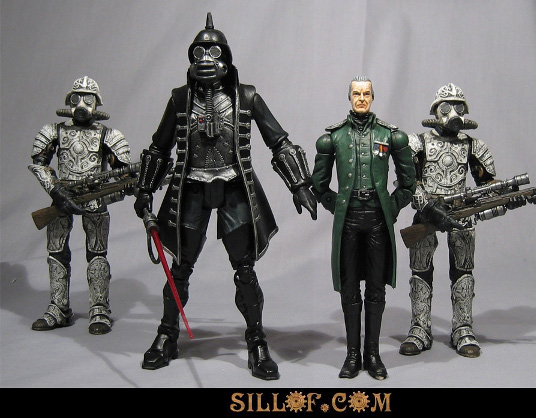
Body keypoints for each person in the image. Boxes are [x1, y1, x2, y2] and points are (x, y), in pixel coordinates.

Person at [133, 13, 317, 380]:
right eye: (198, 52)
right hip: (191, 189)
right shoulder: (180, 99)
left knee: (245, 270)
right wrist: (145, 187)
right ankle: (167, 334)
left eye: (213, 52)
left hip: (235, 188)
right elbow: (159, 147)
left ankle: (256, 340)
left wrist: (299, 183)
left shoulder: (246, 97)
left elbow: (277, 139)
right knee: (180, 267)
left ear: (227, 59)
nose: (205, 59)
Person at [311, 76, 416, 380]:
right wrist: (338, 206)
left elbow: (408, 183)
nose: (361, 98)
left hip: (377, 221)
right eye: (356, 93)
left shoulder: (390, 136)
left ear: (372, 97)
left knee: (376, 287)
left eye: (366, 93)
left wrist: (391, 208)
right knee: (348, 288)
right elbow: (319, 185)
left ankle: (373, 354)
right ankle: (352, 355)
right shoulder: (333, 138)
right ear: (349, 97)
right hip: (349, 221)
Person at [399, 83, 496, 358]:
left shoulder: (473, 145)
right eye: (446, 106)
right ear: (435, 111)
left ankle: (463, 327)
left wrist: (499, 198)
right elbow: (408, 182)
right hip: (427, 213)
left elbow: (487, 184)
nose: (452, 112)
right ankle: (420, 327)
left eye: (458, 107)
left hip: (461, 214)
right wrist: (428, 206)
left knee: (463, 271)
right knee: (420, 271)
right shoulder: (418, 143)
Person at [29, 76, 132, 335]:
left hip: (94, 199)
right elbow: (38, 164)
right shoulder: (54, 131)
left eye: (88, 99)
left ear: (97, 104)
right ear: (69, 101)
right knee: (56, 252)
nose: (82, 104)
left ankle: (99, 308)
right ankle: (58, 307)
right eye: (76, 98)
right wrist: (56, 191)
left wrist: (128, 186)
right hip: (61, 198)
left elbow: (124, 172)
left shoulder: (108, 135)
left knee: (97, 254)